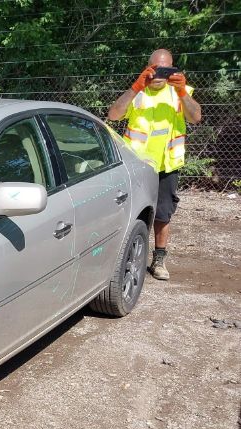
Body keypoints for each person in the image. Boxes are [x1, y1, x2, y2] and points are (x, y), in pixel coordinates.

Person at [108, 49, 201, 280]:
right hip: (136, 164)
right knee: (129, 212)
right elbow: (113, 114)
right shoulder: (138, 91)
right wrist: (135, 87)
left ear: (174, 69)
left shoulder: (179, 93)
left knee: (162, 213)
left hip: (166, 164)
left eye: (166, 69)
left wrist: (181, 91)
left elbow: (195, 116)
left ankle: (158, 260)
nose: (160, 74)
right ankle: (123, 258)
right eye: (156, 68)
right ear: (148, 67)